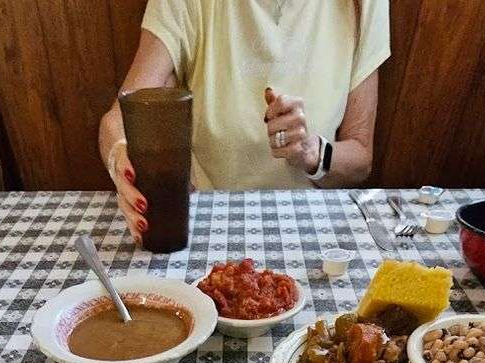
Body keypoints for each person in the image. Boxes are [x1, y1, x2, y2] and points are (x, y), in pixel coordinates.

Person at [99, 0, 390, 244]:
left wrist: (313, 152)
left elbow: (360, 157)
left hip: (314, 232)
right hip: (208, 226)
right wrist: (120, 161)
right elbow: (117, 120)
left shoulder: (366, 5)